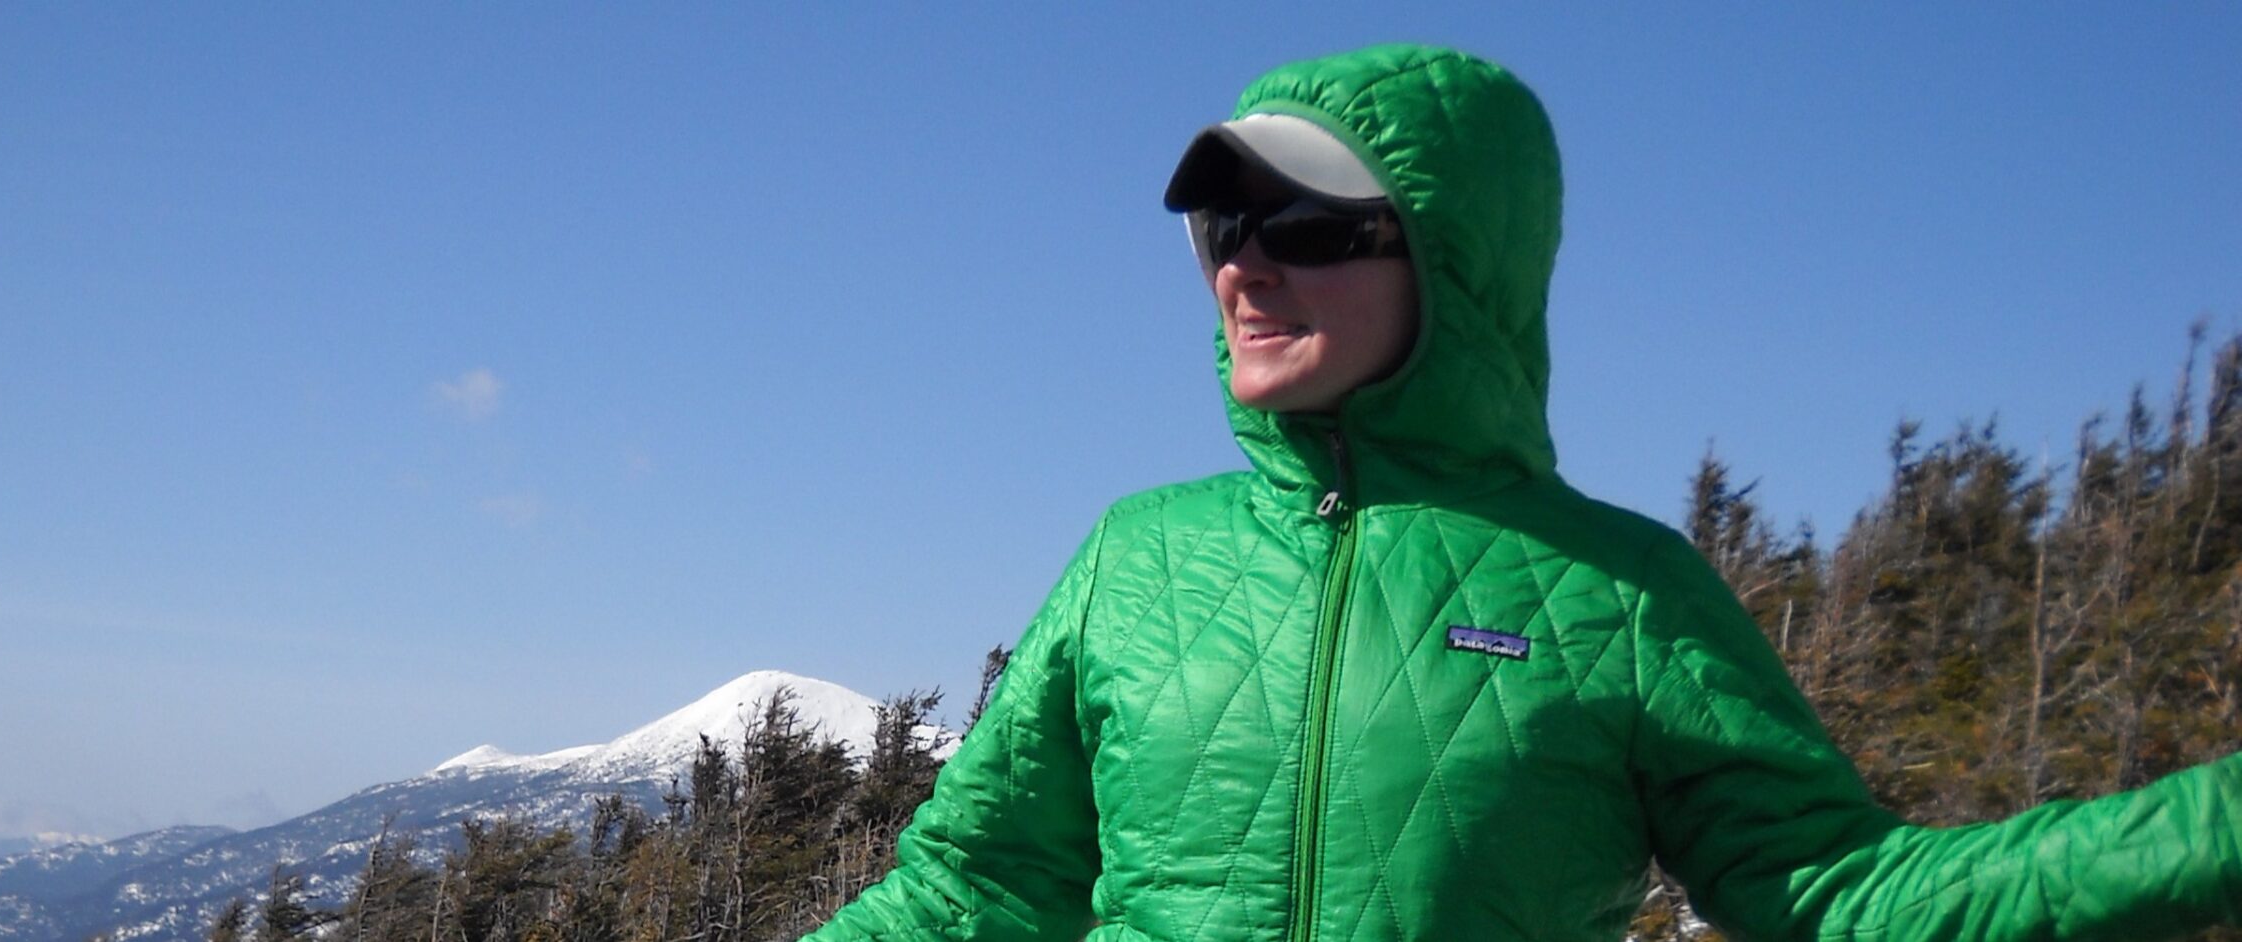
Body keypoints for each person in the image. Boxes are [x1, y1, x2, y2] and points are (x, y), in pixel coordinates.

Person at [805, 44, 2242, 942]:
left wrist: (2215, 830)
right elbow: (967, 896)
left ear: (1458, 259)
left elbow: (1845, 896)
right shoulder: (1138, 557)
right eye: (1222, 223)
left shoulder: (1621, 593)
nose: (1245, 264)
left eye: (1303, 223)